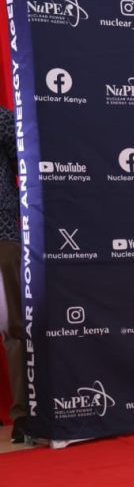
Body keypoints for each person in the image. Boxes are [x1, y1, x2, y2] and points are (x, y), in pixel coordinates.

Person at [0, 106, 26, 443]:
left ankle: (22, 414)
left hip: (3, 231)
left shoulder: (2, 118)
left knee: (13, 327)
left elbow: (24, 159)